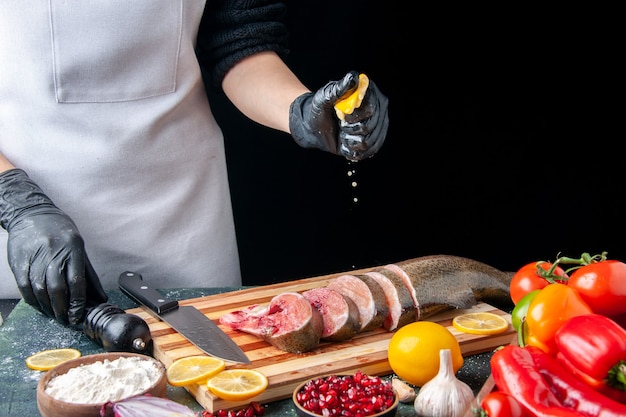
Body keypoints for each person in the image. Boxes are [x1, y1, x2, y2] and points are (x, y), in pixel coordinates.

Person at [0, 1, 389, 328]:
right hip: (29, 235)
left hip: (183, 223)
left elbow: (239, 36)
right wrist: (15, 202)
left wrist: (299, 110)